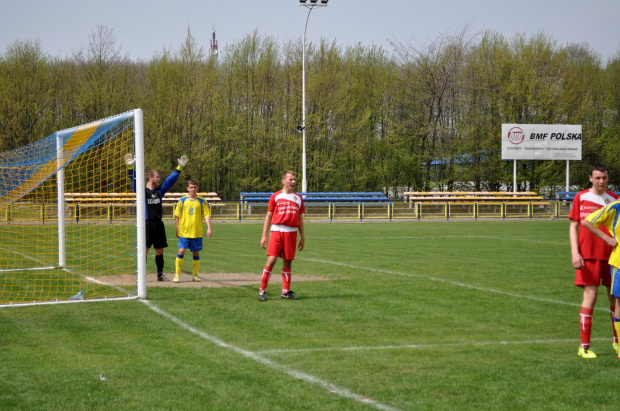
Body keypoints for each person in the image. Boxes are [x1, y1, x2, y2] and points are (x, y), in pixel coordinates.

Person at [568, 162, 618, 358]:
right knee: (590, 297)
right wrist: (575, 252)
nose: (601, 181)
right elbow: (573, 227)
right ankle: (584, 346)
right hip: (587, 255)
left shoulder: (614, 199)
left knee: (615, 299)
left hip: (612, 256)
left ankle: (617, 342)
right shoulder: (581, 197)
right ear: (590, 178)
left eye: (604, 177)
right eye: (597, 177)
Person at [126, 153, 188, 282]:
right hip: (147, 225)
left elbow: (169, 181)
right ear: (150, 178)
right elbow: (134, 182)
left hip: (158, 225)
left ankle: (160, 275)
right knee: (144, 251)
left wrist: (179, 168)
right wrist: (130, 169)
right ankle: (141, 276)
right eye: (157, 176)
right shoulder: (142, 192)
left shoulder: (159, 191)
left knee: (160, 251)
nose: (159, 179)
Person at [258, 171, 305, 301]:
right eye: (291, 179)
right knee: (272, 260)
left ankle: (285, 291)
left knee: (288, 262)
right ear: (283, 181)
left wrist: (302, 237)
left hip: (291, 233)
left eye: (295, 179)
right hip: (277, 231)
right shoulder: (275, 196)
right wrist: (264, 235)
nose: (293, 182)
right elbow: (268, 216)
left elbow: (300, 219)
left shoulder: (298, 198)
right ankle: (262, 290)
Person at [584, 198, 620, 360]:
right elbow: (588, 221)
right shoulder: (616, 206)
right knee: (619, 302)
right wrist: (607, 239)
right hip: (619, 263)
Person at [173, 179, 212, 283]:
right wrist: (177, 228)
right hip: (184, 232)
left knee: (196, 253)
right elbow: (177, 216)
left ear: (197, 188)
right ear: (187, 188)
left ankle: (195, 275)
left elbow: (207, 215)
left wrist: (209, 228)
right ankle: (177, 275)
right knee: (181, 251)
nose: (193, 189)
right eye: (191, 187)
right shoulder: (181, 201)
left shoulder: (202, 201)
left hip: (197, 232)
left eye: (195, 187)